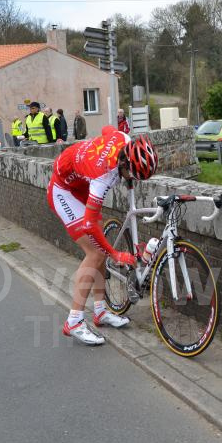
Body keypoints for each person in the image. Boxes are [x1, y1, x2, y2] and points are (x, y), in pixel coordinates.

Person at [47, 128, 158, 345]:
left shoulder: (123, 139)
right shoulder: (103, 175)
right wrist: (115, 254)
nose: (134, 180)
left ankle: (99, 311)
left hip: (81, 182)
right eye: (134, 176)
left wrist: (93, 150)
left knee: (99, 248)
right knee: (96, 253)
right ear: (124, 163)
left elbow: (107, 130)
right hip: (63, 190)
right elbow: (89, 225)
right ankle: (74, 321)